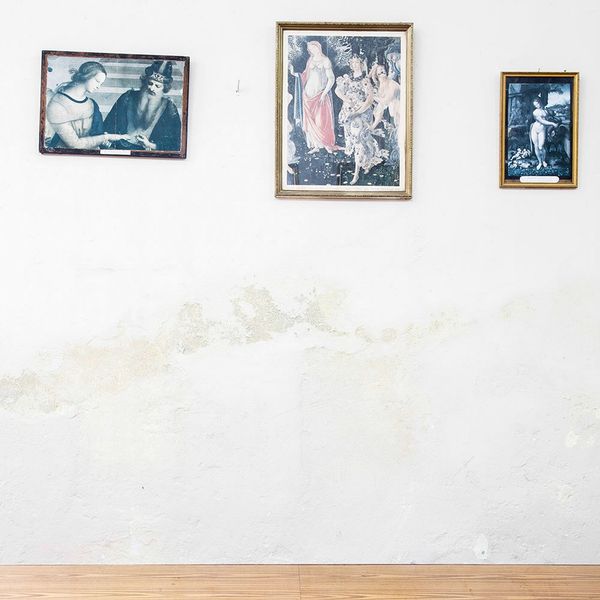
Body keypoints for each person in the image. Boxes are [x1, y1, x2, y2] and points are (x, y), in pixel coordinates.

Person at [46, 61, 128, 149]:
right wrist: (106, 137)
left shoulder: (92, 104)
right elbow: (75, 145)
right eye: (97, 81)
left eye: (101, 84)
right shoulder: (58, 104)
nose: (98, 86)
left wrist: (104, 141)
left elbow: (97, 133)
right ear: (87, 76)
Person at [103, 61, 182, 152]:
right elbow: (108, 125)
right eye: (150, 83)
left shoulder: (169, 108)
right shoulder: (127, 97)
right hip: (120, 149)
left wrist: (151, 145)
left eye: (157, 86)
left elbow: (175, 144)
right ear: (145, 81)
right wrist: (107, 138)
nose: (152, 88)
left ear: (164, 88)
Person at [335, 55, 388, 184]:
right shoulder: (347, 79)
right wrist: (346, 99)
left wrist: (357, 112)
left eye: (357, 62)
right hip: (348, 113)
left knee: (358, 140)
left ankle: (356, 173)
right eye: (353, 63)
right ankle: (367, 161)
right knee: (358, 140)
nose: (355, 65)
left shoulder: (365, 80)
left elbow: (369, 100)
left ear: (361, 64)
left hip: (361, 114)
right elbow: (337, 90)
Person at [290, 40, 338, 154]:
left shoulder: (325, 60)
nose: (313, 50)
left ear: (319, 47)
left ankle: (326, 144)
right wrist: (294, 73)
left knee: (321, 121)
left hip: (320, 95)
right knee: (310, 121)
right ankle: (315, 145)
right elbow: (305, 75)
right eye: (310, 49)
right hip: (307, 96)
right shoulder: (310, 60)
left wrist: (324, 93)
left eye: (314, 48)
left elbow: (331, 79)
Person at [530, 96, 559, 170]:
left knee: (541, 146)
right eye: (535, 105)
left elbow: (549, 118)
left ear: (540, 102)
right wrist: (552, 124)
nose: (536, 106)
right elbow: (542, 121)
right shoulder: (535, 112)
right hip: (535, 129)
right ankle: (540, 162)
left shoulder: (545, 111)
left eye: (537, 104)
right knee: (536, 146)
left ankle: (543, 160)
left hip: (542, 129)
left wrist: (553, 122)